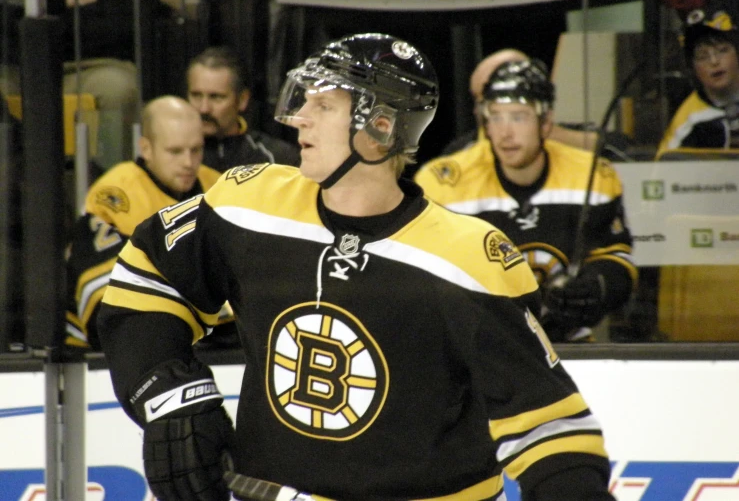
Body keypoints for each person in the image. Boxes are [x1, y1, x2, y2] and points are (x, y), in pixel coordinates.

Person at [97, 33, 616, 501]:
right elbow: (147, 276)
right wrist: (171, 396)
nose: (300, 117)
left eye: (323, 105)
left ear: (381, 126)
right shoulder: (249, 201)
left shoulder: (466, 258)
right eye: (305, 100)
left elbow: (549, 430)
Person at [415, 59, 637, 342]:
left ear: (546, 123)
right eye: (496, 117)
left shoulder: (592, 175)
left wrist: (597, 287)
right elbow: (422, 274)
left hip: (569, 347)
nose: (505, 133)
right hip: (478, 348)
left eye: (518, 117)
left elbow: (615, 256)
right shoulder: (445, 183)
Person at [65, 96, 222, 350]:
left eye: (196, 149)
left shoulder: (219, 186)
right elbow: (111, 307)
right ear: (146, 148)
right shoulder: (115, 194)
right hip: (105, 357)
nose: (188, 162)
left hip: (198, 342)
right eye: (175, 151)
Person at [443, 48, 598, 156]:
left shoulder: (568, 133)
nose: (478, 111)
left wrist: (543, 132)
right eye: (477, 100)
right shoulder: (461, 150)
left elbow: (616, 146)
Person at [186, 46, 301, 171]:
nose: (204, 109)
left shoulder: (279, 159)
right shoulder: (169, 157)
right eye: (196, 95)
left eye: (216, 97)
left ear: (242, 100)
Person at [656, 9, 739, 158]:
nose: (714, 62)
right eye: (702, 56)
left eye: (722, 50)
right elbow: (663, 175)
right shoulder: (689, 123)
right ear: (692, 68)